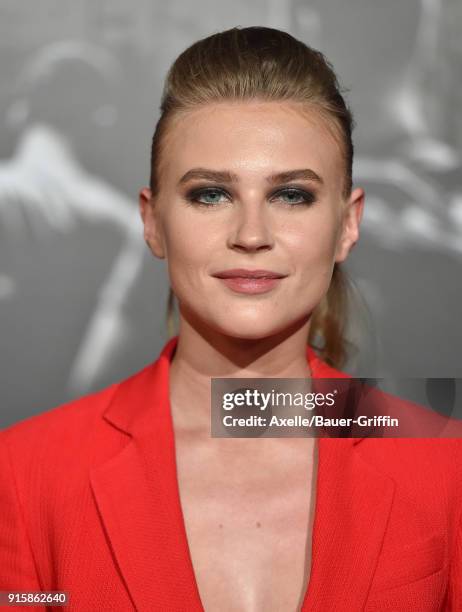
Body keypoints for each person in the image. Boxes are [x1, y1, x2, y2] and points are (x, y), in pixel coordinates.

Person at [0, 26, 461, 612]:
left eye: (292, 195)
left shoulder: (445, 465)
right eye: (210, 195)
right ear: (152, 222)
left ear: (348, 223)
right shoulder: (22, 477)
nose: (250, 236)